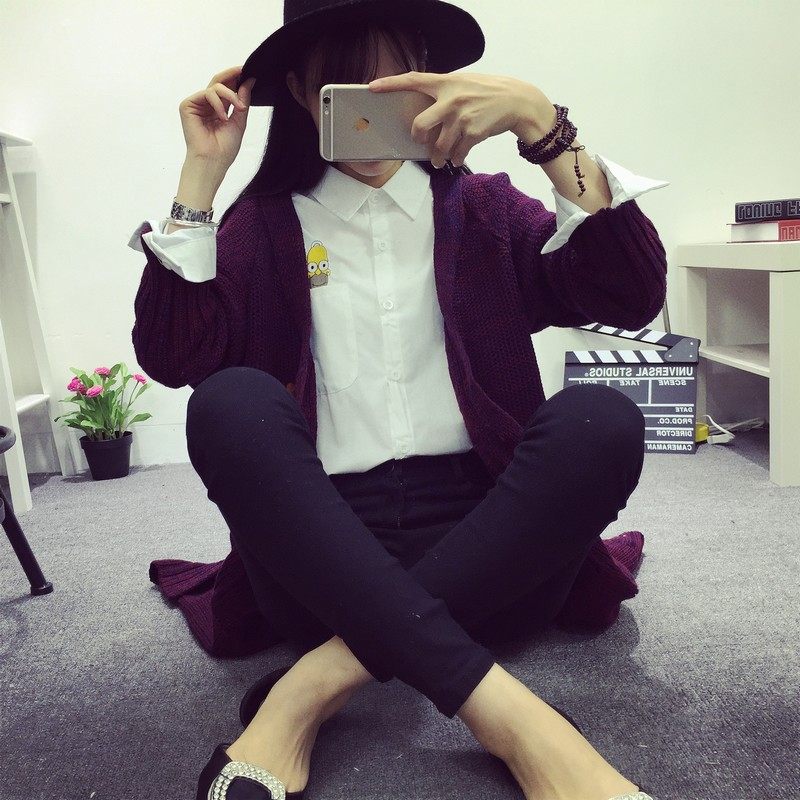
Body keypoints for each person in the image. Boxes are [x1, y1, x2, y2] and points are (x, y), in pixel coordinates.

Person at [129, 2, 669, 798]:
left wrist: (542, 126)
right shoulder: (262, 228)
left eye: (400, 82)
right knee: (227, 401)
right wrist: (202, 175)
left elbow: (628, 294)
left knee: (603, 419)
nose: (380, 108)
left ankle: (312, 685)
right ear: (302, 95)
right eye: (352, 88)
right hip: (320, 567)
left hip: (498, 559)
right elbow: (175, 357)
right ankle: (514, 719)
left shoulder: (484, 211)